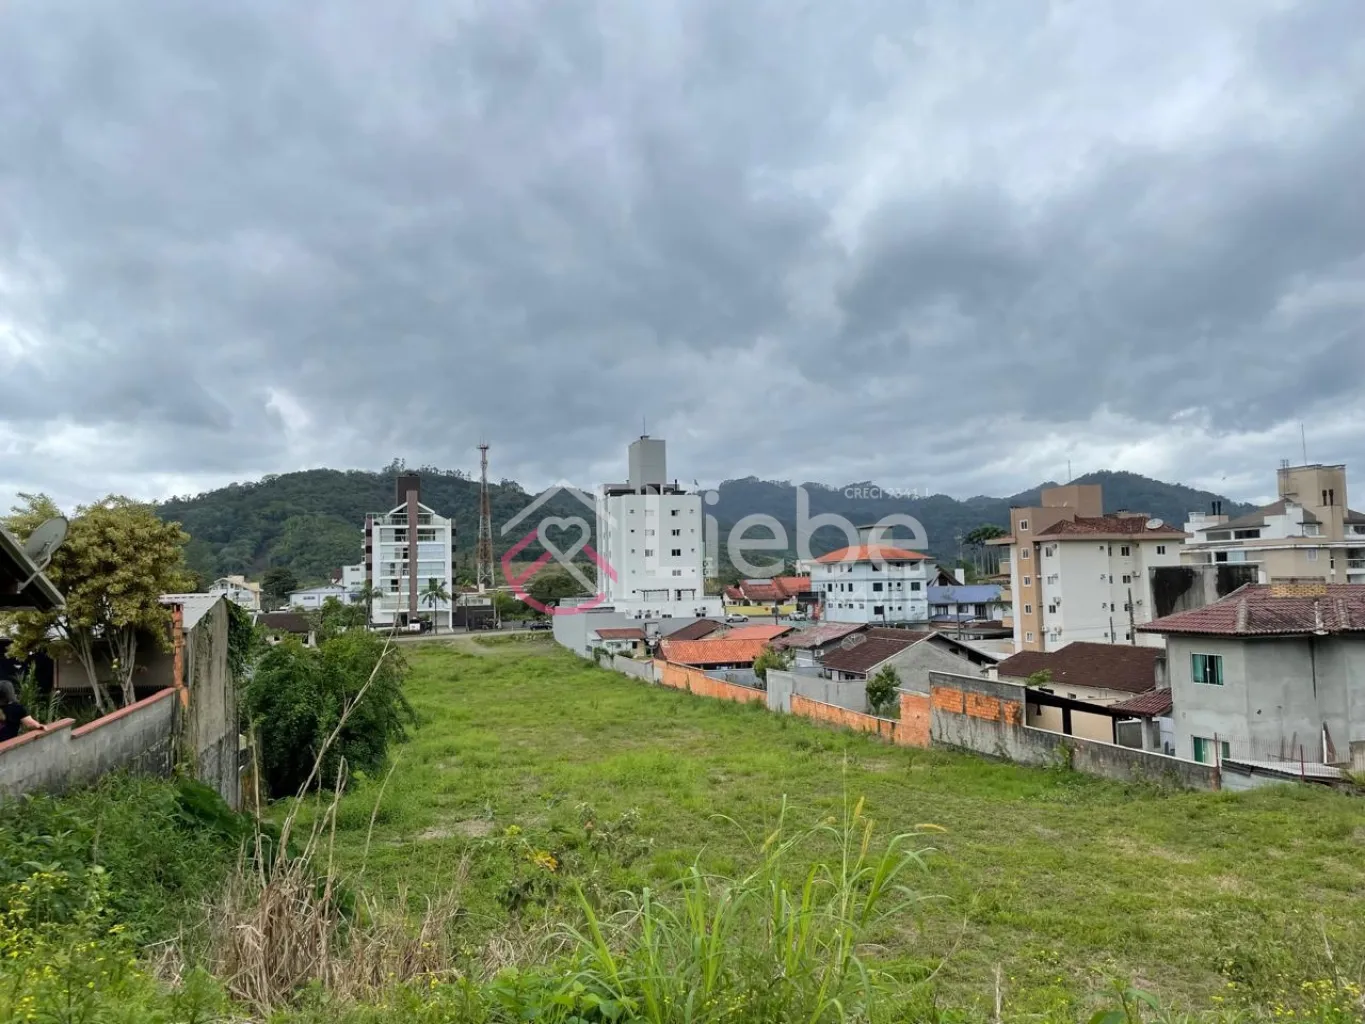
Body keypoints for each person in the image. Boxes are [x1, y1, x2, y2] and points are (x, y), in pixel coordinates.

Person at [0, 678, 47, 742]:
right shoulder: (17, 708)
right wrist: (39, 726)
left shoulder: (17, 708)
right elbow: (30, 723)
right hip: (7, 746)